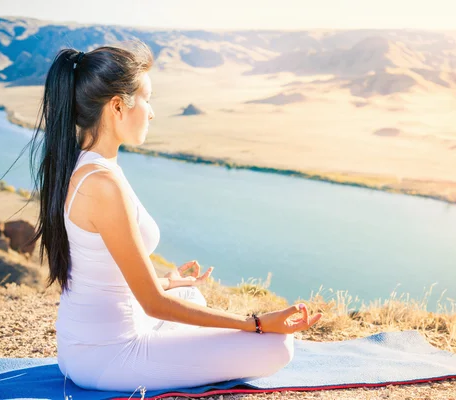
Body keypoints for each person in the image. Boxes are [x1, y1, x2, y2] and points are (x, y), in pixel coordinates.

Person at [24, 41, 322, 392]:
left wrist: (165, 281)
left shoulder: (91, 166)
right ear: (117, 106)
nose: (151, 112)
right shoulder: (101, 183)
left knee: (191, 297)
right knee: (277, 346)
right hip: (107, 355)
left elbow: (108, 275)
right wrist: (256, 323)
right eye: (147, 100)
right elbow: (153, 305)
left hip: (93, 342)